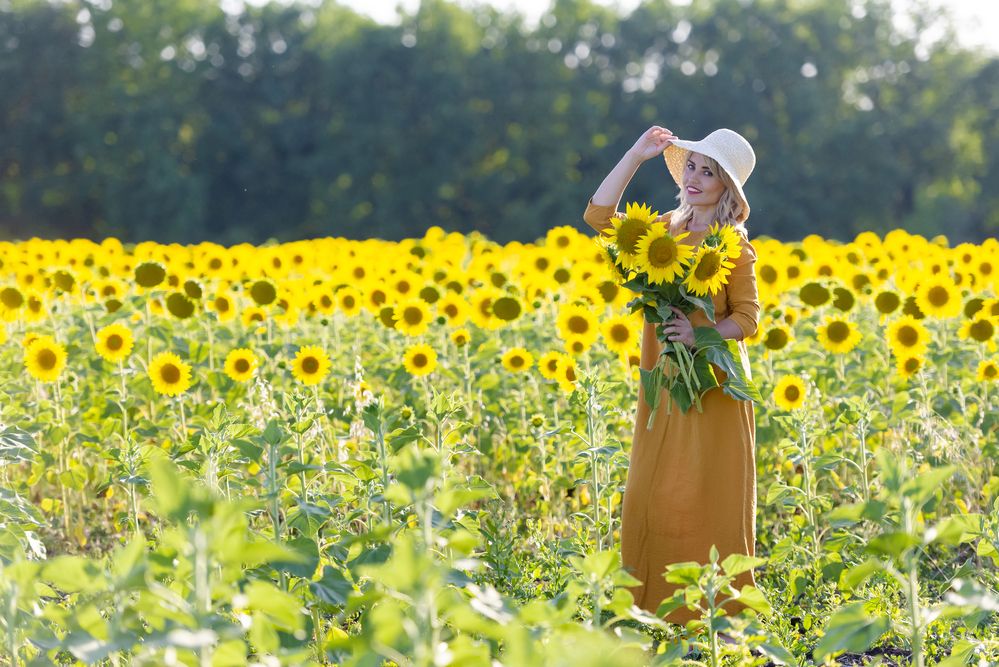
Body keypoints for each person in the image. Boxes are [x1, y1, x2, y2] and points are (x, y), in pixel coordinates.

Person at [581, 126, 762, 633]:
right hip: (664, 381)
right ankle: (650, 613)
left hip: (713, 386)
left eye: (709, 172)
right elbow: (598, 216)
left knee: (709, 496)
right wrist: (636, 155)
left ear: (727, 187)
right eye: (691, 167)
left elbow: (748, 318)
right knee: (653, 489)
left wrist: (697, 333)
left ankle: (718, 622)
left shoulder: (733, 247)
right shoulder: (660, 231)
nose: (695, 178)